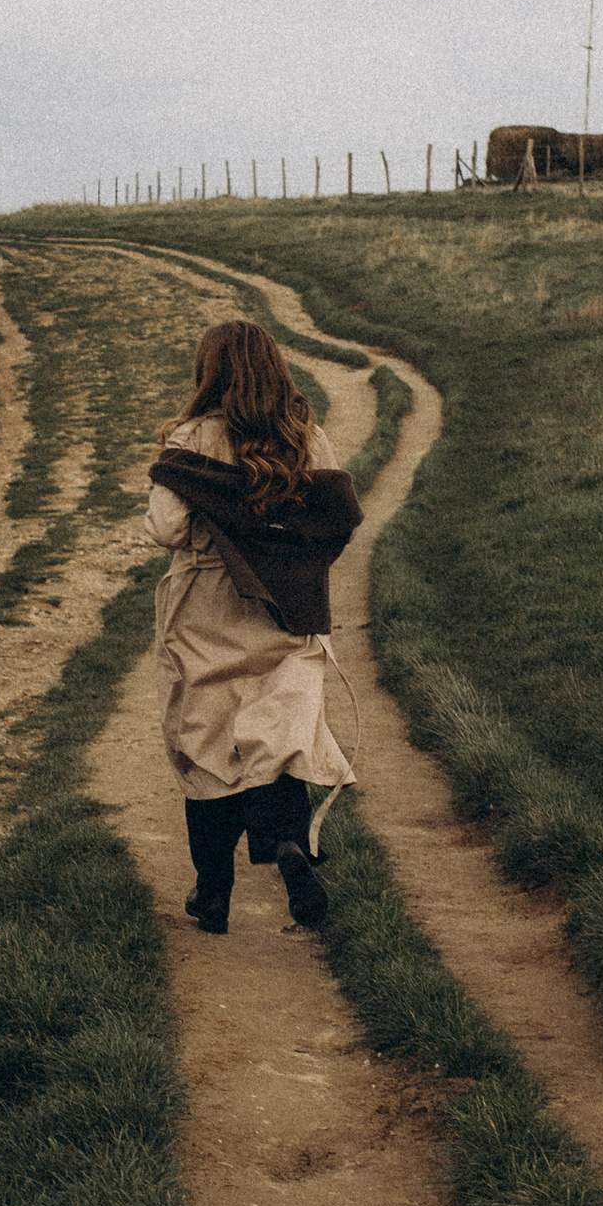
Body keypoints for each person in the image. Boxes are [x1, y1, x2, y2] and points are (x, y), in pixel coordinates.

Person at [146, 320, 363, 934]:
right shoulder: (306, 436)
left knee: (206, 741)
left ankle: (213, 894)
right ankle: (290, 845)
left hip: (206, 603)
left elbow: (165, 529)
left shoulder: (192, 437)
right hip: (286, 604)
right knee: (276, 737)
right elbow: (334, 518)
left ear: (208, 371)